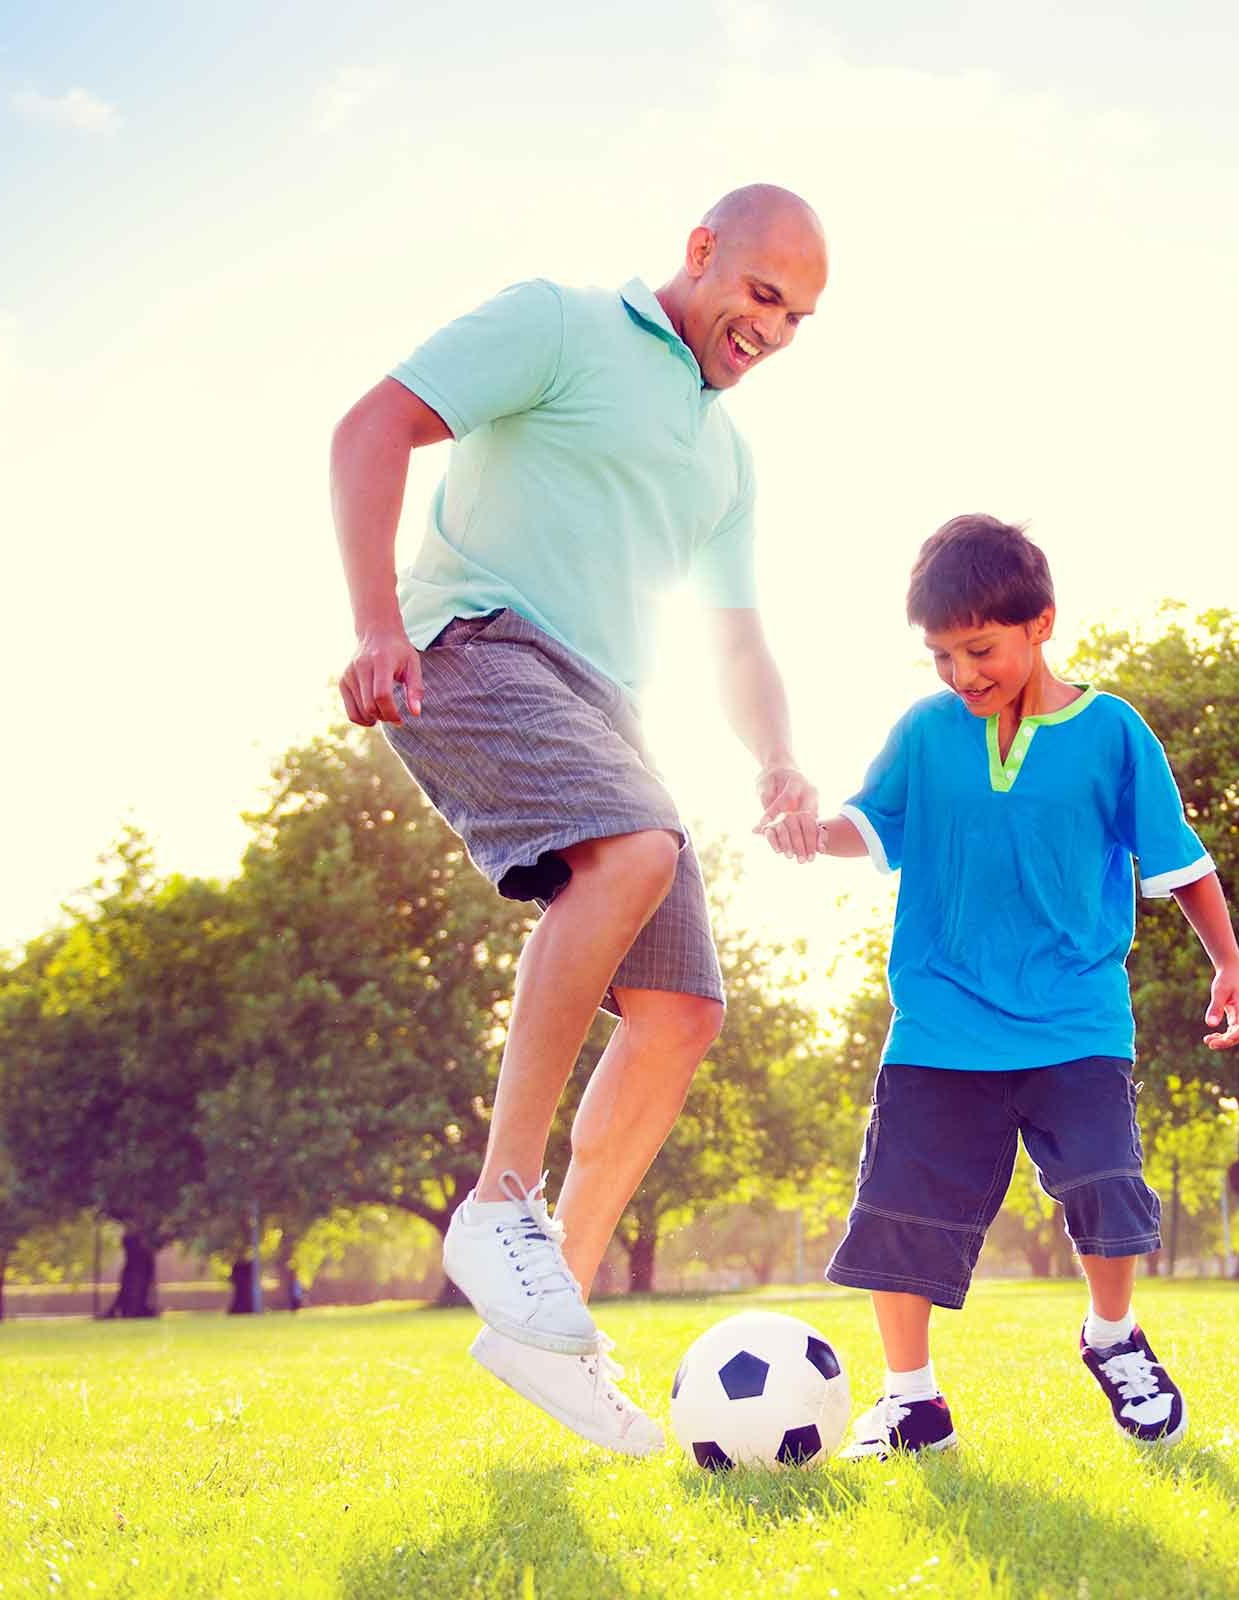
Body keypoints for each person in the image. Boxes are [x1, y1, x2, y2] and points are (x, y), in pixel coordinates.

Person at [331, 185, 829, 1455]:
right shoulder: (558, 323)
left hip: (609, 701)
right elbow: (372, 425)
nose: (771, 328)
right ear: (701, 251)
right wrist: (378, 619)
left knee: (683, 1013)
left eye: (799, 317)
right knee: (637, 848)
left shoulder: (726, 459)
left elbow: (736, 639)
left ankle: (548, 1325)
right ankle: (502, 1203)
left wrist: (776, 757)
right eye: (761, 294)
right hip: (475, 641)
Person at [766, 514, 1239, 1457]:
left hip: (1075, 1018)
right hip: (942, 1025)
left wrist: (1226, 963)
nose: (962, 675)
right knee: (900, 1212)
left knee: (1108, 1188)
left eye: (979, 649)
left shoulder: (1112, 732)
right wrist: (805, 830)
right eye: (941, 656)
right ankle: (911, 1402)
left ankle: (1113, 1338)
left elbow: (1179, 861)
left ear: (1041, 624)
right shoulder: (926, 733)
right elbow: (869, 828)